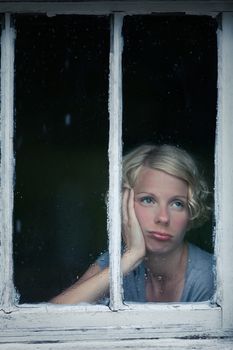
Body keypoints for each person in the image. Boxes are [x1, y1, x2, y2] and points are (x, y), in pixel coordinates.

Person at [51, 144, 214, 304]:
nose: (163, 218)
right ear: (124, 203)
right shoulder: (118, 260)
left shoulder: (210, 276)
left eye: (177, 204)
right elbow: (50, 318)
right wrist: (130, 258)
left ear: (191, 212)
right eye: (148, 200)